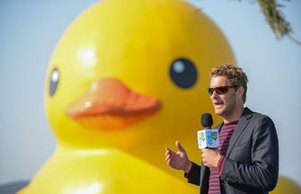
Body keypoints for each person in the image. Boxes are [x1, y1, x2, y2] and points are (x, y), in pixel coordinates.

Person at [165, 64, 279, 194]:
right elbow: (216, 180)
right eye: (211, 91)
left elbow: (266, 177)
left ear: (239, 91)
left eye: (221, 90)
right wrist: (187, 166)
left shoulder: (259, 124)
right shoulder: (216, 130)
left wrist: (219, 163)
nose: (213, 96)